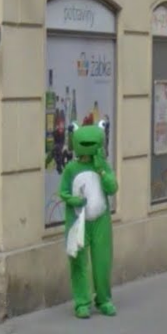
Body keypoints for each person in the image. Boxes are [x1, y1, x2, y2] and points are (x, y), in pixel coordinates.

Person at [59, 121, 118, 319]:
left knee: (102, 261)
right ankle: (82, 302)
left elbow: (112, 188)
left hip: (101, 220)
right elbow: (63, 192)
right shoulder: (71, 168)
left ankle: (103, 299)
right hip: (78, 221)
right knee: (78, 261)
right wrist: (74, 200)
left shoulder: (102, 166)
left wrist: (101, 169)